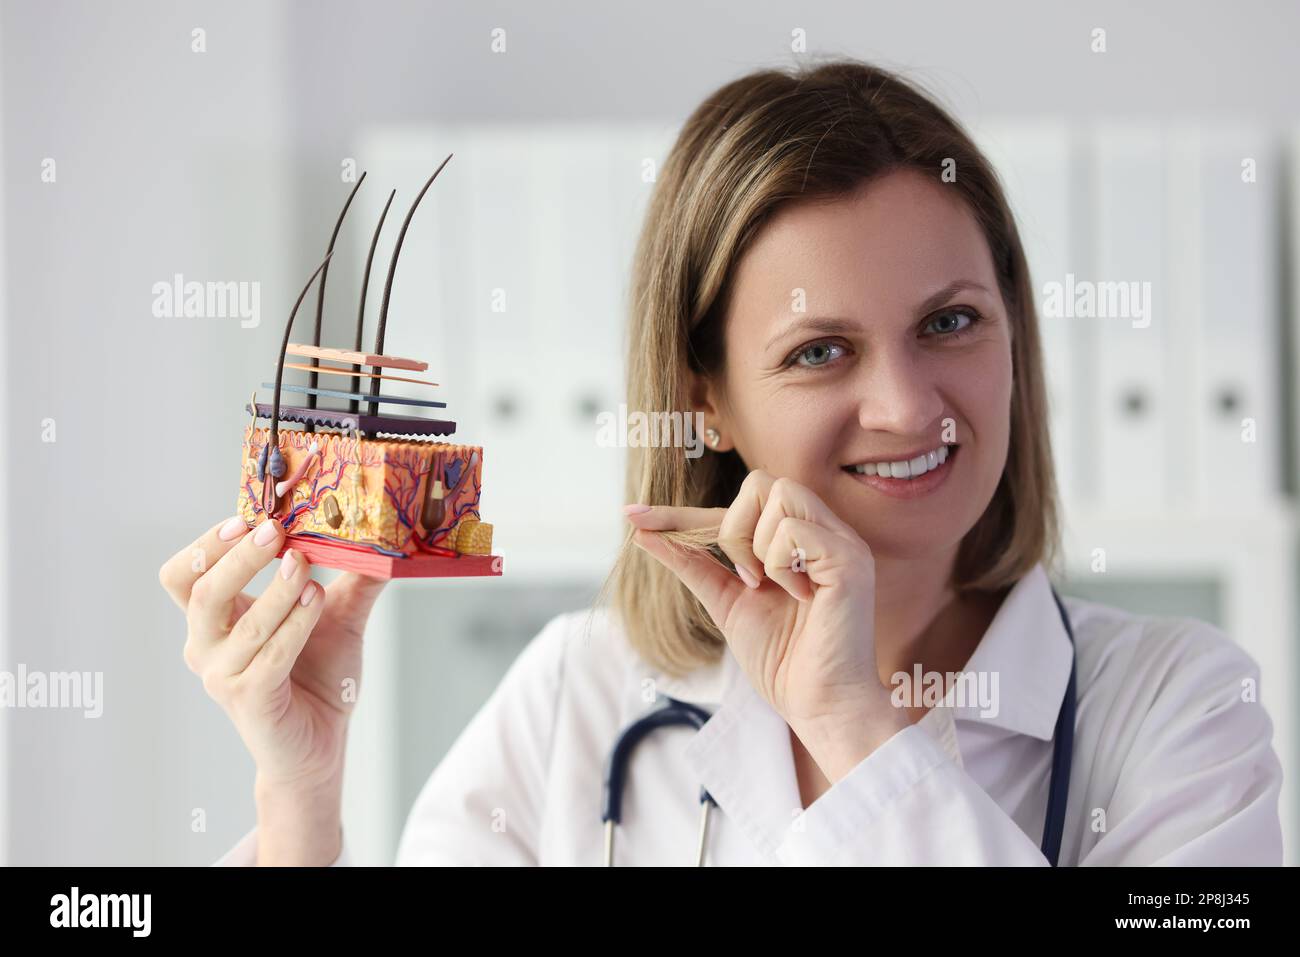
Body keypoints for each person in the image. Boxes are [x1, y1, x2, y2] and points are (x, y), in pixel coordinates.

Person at [159, 59, 1283, 865]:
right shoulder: (576, 698)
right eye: (819, 351)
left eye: (949, 323)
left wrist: (850, 722)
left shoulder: (1177, 710)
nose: (903, 404)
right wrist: (300, 808)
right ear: (709, 405)